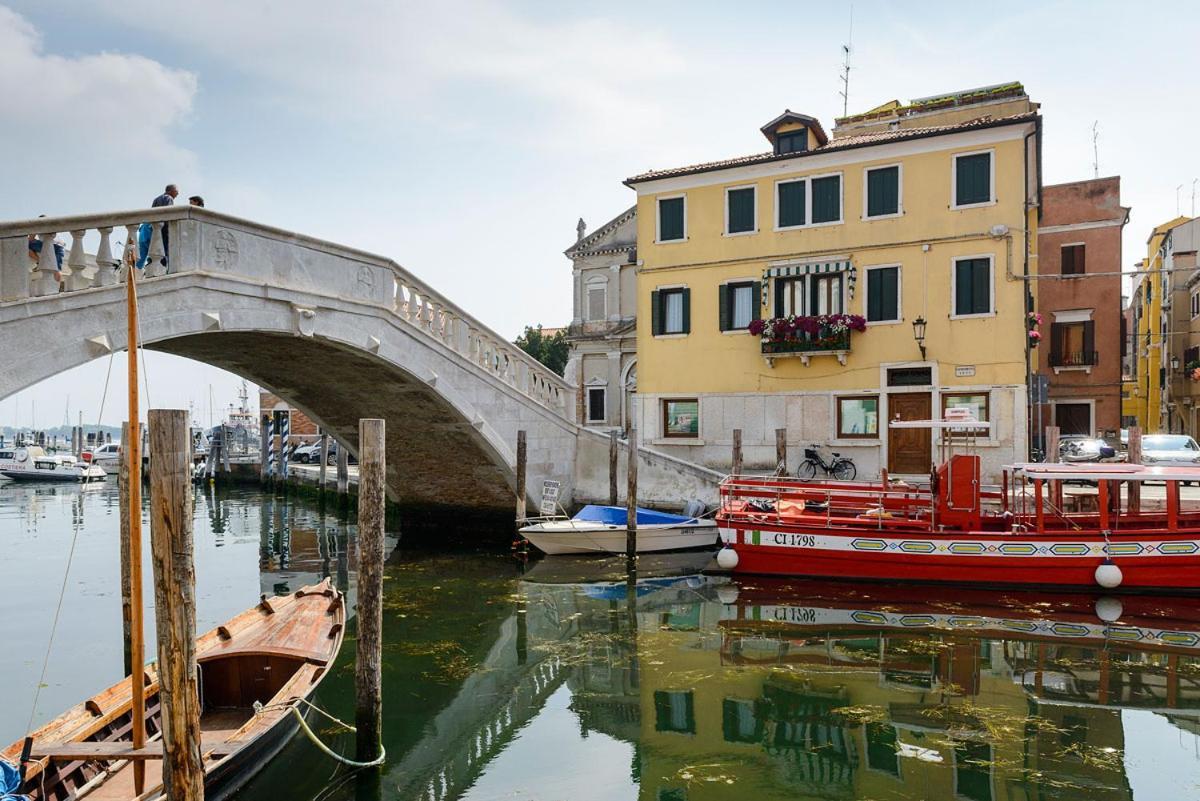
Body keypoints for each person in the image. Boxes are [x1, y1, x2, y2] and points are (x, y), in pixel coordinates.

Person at [138, 184, 177, 269]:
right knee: (163, 252)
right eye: (176, 191)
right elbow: (168, 213)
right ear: (170, 191)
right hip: (162, 229)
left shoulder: (156, 199)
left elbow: (152, 214)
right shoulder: (168, 198)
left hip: (153, 229)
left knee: (151, 252)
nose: (177, 194)